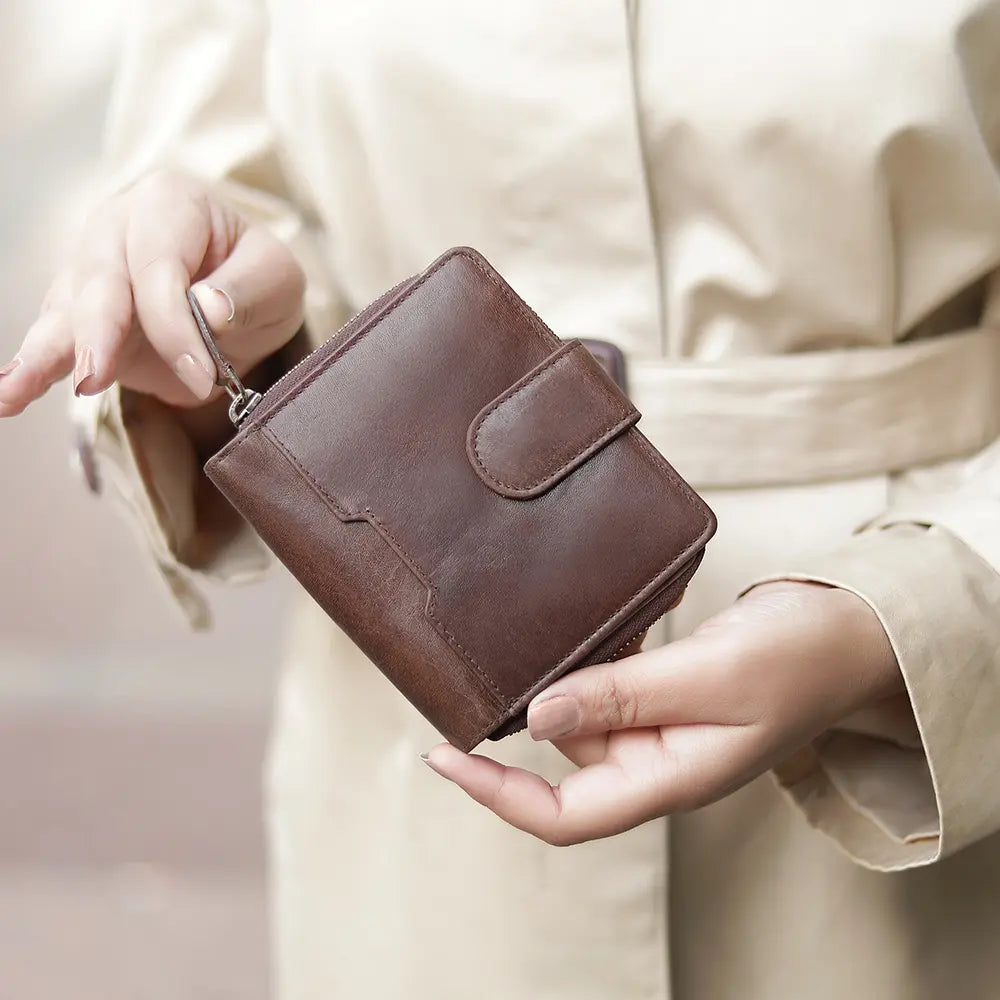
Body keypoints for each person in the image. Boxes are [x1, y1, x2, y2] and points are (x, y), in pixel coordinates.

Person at [3, 2, 1000, 997]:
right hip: (420, 725)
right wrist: (210, 330)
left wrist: (916, 611)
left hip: (894, 736)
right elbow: (206, 182)